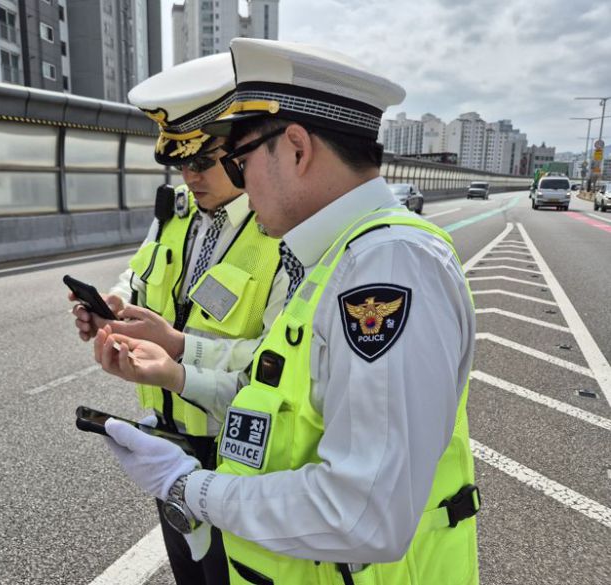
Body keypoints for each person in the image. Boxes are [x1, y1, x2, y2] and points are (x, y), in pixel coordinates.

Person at [95, 38, 480, 585]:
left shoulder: (387, 268)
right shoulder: (337, 258)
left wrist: (190, 486)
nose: (239, 180)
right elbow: (276, 402)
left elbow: (364, 514)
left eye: (239, 159)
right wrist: (179, 377)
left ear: (296, 148)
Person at [71, 52, 287, 585]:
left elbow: (280, 363)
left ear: (238, 155)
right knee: (189, 574)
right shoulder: (175, 216)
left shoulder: (281, 233)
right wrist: (113, 307)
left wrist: (175, 350)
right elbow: (137, 276)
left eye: (202, 161)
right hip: (169, 445)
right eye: (180, 164)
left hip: (237, 454)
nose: (189, 176)